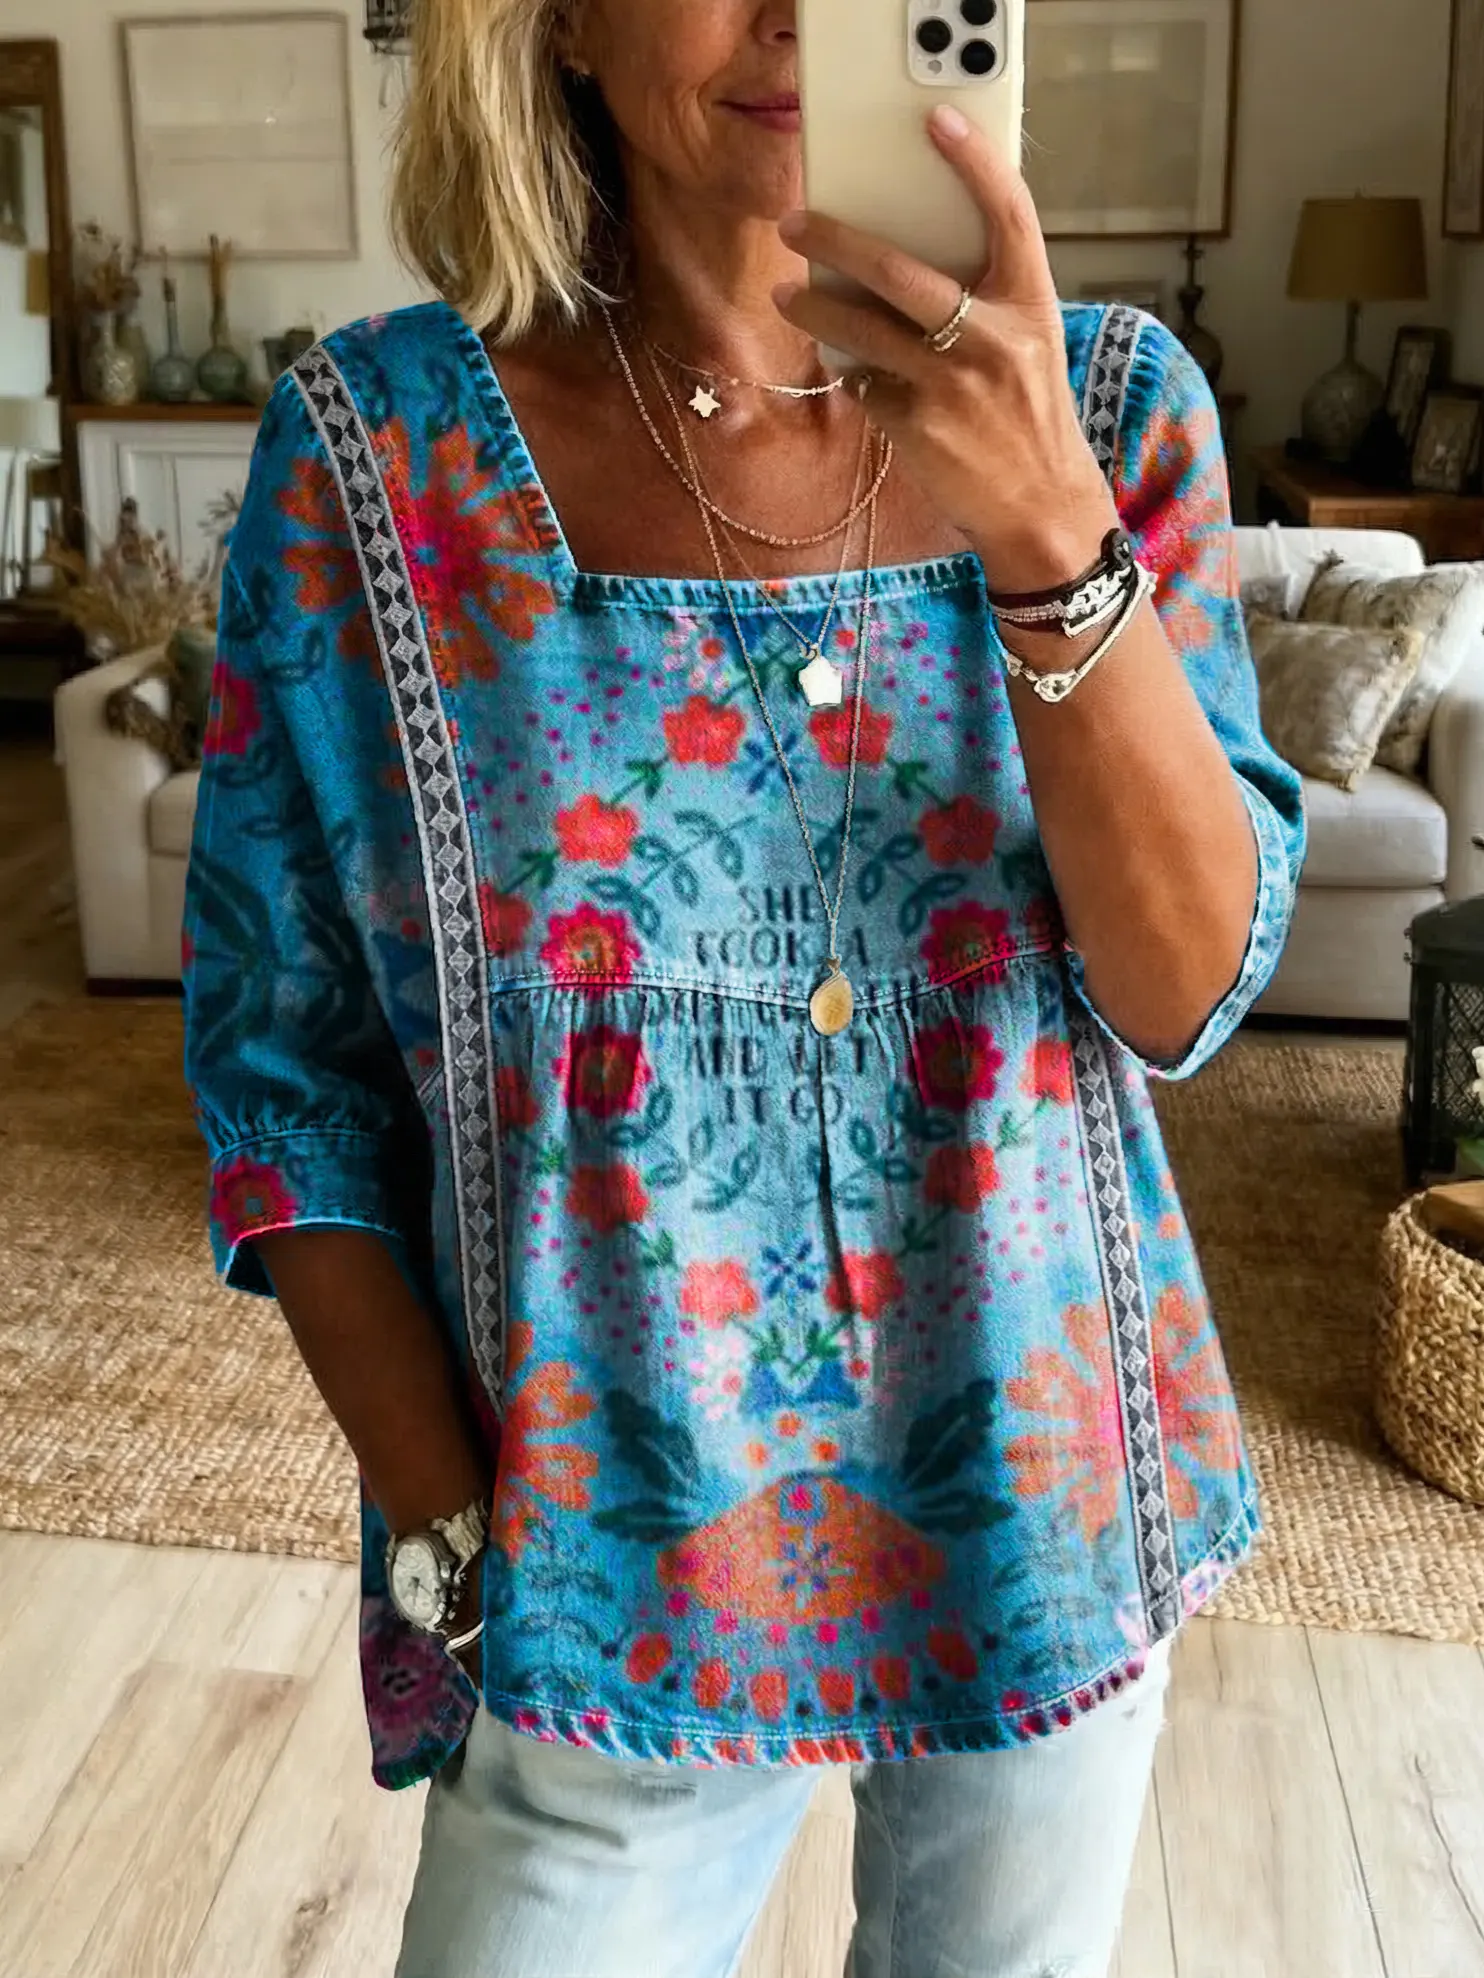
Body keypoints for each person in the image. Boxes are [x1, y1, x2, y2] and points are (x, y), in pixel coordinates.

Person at [180, 3, 1305, 1974]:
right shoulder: (372, 463)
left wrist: (1046, 527)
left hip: (1043, 1534)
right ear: (561, 22)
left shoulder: (1113, 408)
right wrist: (456, 1532)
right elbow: (284, 1071)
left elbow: (1186, 991)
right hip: (597, 1592)